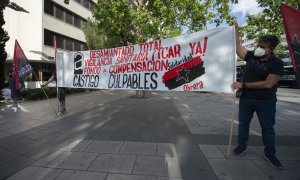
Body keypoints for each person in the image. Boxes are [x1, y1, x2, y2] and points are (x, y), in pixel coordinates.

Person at [230, 21, 284, 170]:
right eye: (258, 45)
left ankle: (270, 153)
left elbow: (268, 84)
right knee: (243, 125)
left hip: (266, 101)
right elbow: (239, 49)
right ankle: (241, 146)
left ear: (271, 49)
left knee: (267, 128)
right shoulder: (252, 56)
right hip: (246, 99)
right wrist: (236, 30)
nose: (259, 48)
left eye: (262, 46)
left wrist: (243, 85)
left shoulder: (277, 63)